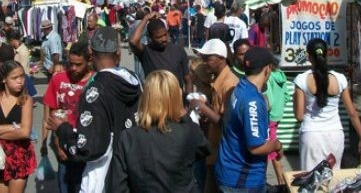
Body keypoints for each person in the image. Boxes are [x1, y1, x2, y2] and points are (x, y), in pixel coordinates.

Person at [50, 27, 142, 193]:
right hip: (133, 171)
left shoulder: (95, 90)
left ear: (91, 52)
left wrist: (62, 128)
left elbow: (88, 148)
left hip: (104, 179)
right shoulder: (133, 80)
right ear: (118, 52)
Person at [110, 70, 211, 193]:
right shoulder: (189, 131)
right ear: (176, 98)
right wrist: (183, 114)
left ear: (146, 97)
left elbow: (117, 186)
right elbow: (205, 148)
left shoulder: (128, 137)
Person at [215, 47, 283, 192]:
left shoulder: (240, 86)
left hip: (229, 171)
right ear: (267, 69)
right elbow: (256, 147)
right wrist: (277, 145)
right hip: (242, 181)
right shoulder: (252, 101)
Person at [293, 38, 361, 170]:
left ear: (309, 57)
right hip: (335, 136)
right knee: (332, 179)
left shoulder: (301, 79)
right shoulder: (340, 79)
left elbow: (299, 116)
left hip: (311, 135)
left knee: (310, 182)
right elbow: (352, 113)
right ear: (326, 55)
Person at [42, 41, 93, 193]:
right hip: (62, 143)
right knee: (65, 186)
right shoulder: (58, 79)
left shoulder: (95, 81)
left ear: (89, 61)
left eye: (79, 64)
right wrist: (56, 146)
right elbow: (51, 114)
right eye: (71, 63)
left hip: (86, 144)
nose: (73, 68)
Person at [191, 38, 239, 192]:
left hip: (223, 154)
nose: (205, 63)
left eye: (209, 59)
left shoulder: (229, 84)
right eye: (203, 59)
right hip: (214, 149)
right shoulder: (218, 81)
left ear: (222, 59)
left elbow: (226, 123)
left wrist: (202, 108)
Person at [0, 61, 37, 193]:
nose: (20, 81)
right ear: (4, 79)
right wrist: (14, 127)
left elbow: (25, 132)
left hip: (19, 154)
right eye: (15, 78)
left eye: (22, 76)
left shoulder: (26, 100)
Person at [130, 11, 192, 93]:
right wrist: (146, 18)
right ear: (150, 37)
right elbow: (133, 41)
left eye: (165, 34)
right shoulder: (146, 52)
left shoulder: (178, 50)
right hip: (155, 100)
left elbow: (187, 80)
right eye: (158, 37)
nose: (164, 39)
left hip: (176, 100)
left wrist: (188, 100)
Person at [264, 56, 289, 185]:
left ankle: (281, 182)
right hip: (277, 115)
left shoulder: (268, 77)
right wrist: (279, 108)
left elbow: (269, 100)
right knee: (272, 147)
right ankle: (281, 181)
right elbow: (287, 96)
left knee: (270, 149)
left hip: (269, 117)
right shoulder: (282, 75)